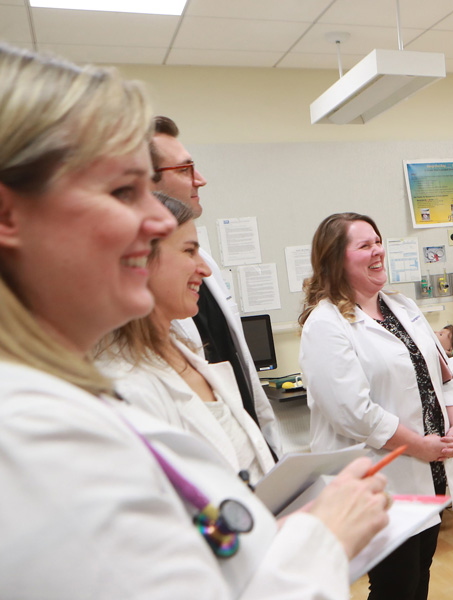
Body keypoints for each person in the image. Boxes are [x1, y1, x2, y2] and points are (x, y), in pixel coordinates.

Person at [0, 43, 388, 598]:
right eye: (124, 191)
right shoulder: (30, 440)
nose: (159, 218)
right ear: (9, 214)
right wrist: (323, 538)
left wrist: (269, 537)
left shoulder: (67, 402)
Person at [299, 212, 453, 600]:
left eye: (378, 241)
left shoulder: (401, 306)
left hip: (430, 471)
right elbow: (354, 412)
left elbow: (443, 373)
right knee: (396, 586)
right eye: (364, 245)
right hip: (383, 477)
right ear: (335, 260)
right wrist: (418, 445)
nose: (378, 251)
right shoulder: (325, 324)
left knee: (420, 573)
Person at [96, 193, 274, 483]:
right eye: (189, 251)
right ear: (138, 259)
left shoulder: (185, 351)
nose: (204, 269)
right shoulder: (124, 384)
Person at [150, 115, 280, 456]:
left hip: (249, 439)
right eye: (184, 169)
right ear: (140, 183)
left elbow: (236, 362)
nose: (200, 180)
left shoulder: (205, 263)